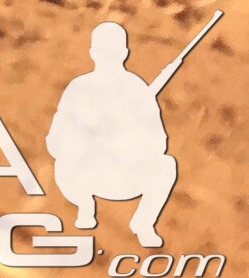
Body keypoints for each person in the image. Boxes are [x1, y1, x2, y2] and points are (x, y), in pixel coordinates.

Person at [48, 21, 182, 248]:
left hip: (123, 174)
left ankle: (144, 222)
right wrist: (89, 138)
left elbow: (159, 143)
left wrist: (127, 140)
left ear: (124, 53)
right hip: (83, 176)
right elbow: (55, 140)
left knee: (166, 165)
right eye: (104, 50)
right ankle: (85, 207)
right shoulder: (79, 87)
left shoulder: (137, 90)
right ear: (93, 53)